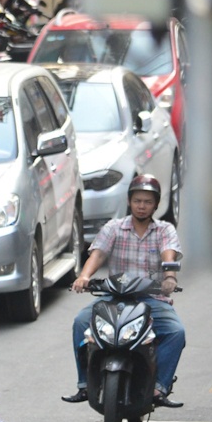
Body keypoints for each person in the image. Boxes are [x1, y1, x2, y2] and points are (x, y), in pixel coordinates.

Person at [64, 172, 185, 408]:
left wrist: (170, 277)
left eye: (148, 202)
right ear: (129, 201)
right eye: (137, 201)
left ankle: (159, 388)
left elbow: (168, 253)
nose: (142, 206)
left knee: (176, 332)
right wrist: (84, 277)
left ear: (156, 205)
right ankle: (85, 385)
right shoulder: (115, 227)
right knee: (80, 322)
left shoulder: (164, 230)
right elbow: (98, 253)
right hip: (114, 297)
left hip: (152, 299)